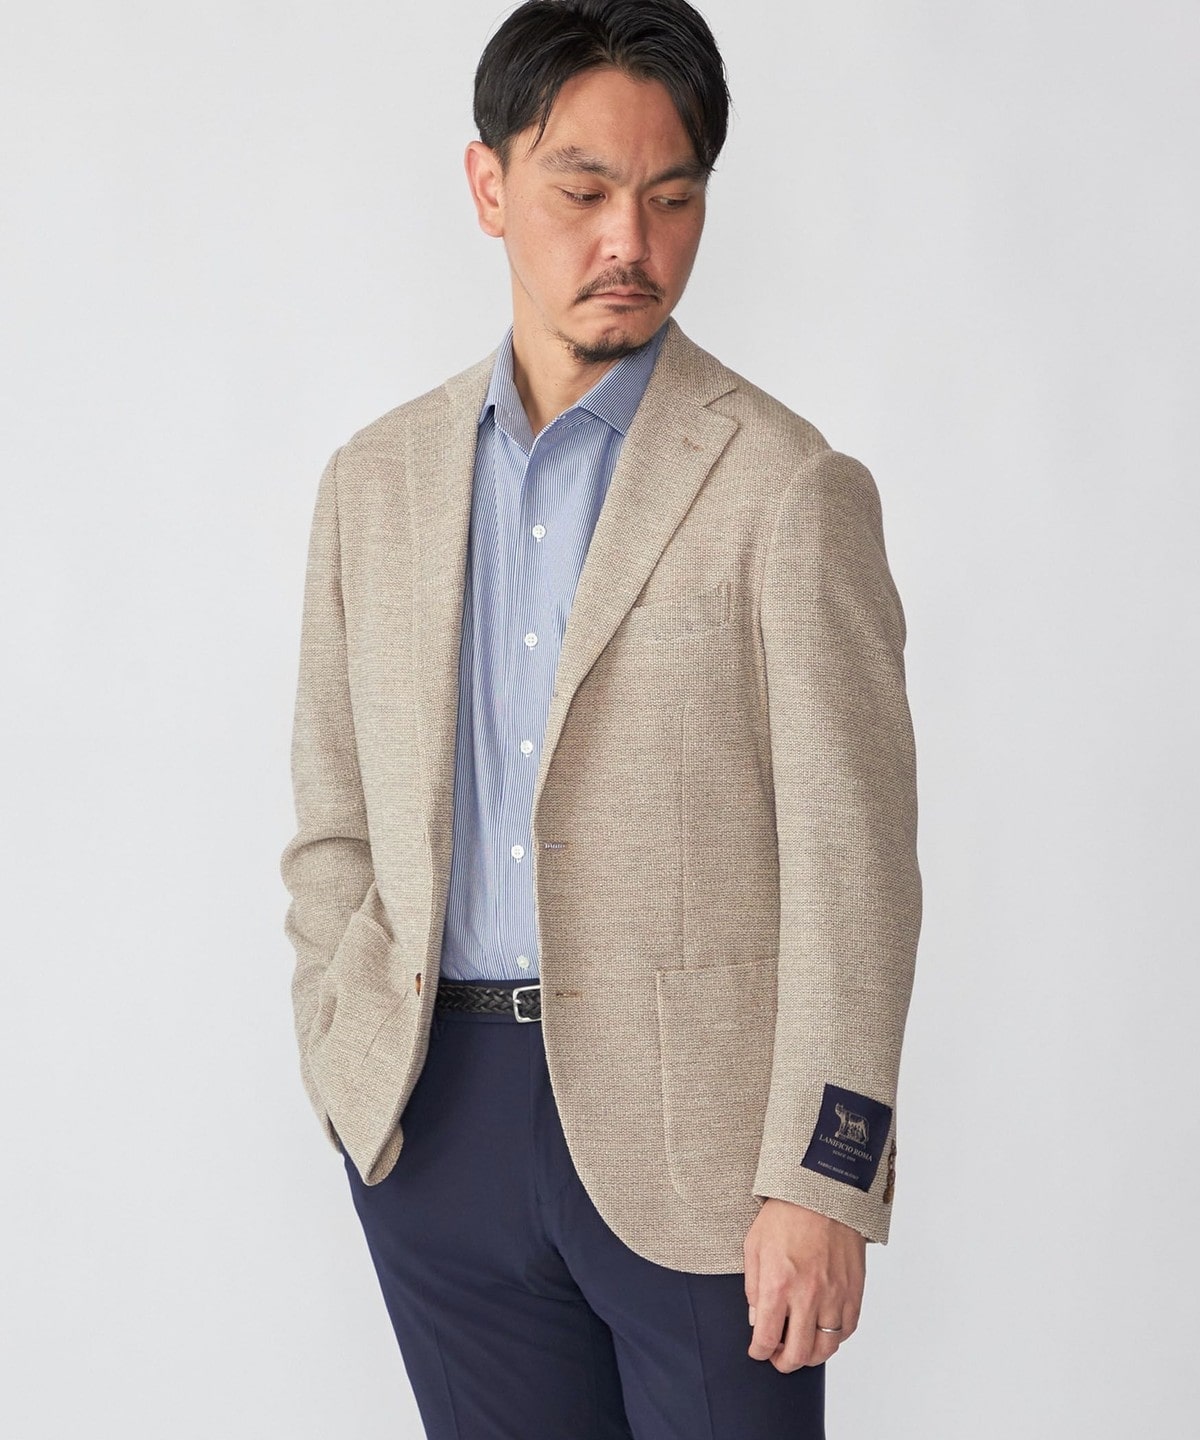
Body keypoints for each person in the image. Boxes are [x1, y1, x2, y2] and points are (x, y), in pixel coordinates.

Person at [279, 1, 921, 1434]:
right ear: (489, 185)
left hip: (704, 1150)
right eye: (583, 192)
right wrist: (346, 1058)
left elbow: (856, 871)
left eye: (671, 197)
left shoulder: (787, 487)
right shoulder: (374, 486)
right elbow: (334, 823)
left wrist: (824, 1179)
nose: (630, 240)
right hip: (435, 1128)